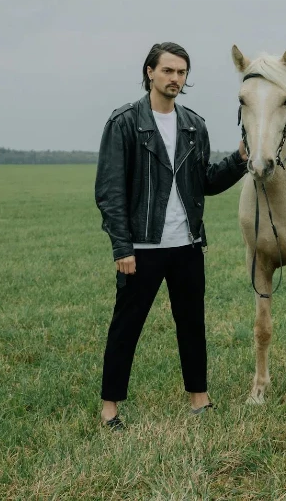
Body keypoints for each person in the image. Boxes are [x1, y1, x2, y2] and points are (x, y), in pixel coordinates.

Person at [94, 42, 248, 429]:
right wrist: (121, 246)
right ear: (150, 72)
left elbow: (206, 183)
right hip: (142, 249)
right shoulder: (125, 122)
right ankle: (110, 407)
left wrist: (240, 160)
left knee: (192, 324)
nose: (175, 79)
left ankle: (200, 398)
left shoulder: (194, 125)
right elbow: (110, 190)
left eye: (181, 72)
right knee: (126, 327)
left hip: (188, 247)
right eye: (168, 71)